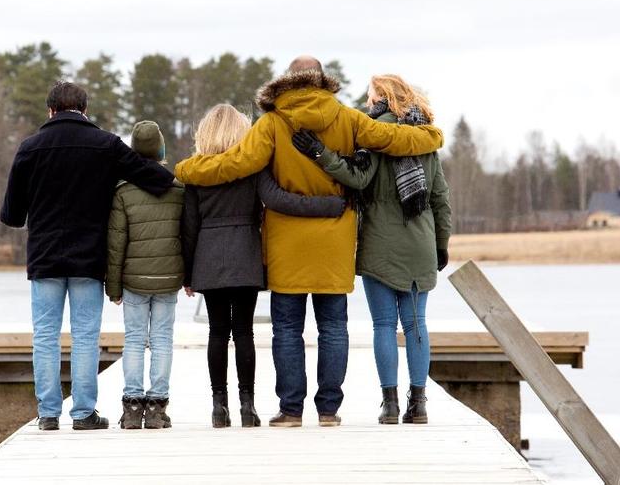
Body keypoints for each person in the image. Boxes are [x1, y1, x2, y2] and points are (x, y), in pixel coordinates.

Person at [173, 56, 444, 427]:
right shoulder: (346, 117)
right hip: (335, 238)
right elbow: (391, 138)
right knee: (333, 327)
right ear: (321, 81)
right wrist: (432, 135)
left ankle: (291, 410)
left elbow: (233, 164)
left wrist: (186, 169)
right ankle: (329, 410)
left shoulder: (272, 122)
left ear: (287, 81)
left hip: (287, 242)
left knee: (288, 329)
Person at [0, 82, 175, 431]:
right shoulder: (105, 145)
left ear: (50, 111)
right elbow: (157, 179)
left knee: (45, 336)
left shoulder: (29, 148)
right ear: (85, 109)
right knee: (84, 336)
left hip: (45, 257)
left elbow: (12, 216)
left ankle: (48, 415)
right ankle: (83, 414)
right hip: (89, 258)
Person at [291, 74, 452, 424]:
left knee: (383, 325)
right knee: (415, 324)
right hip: (421, 240)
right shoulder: (424, 138)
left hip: (380, 240)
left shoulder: (372, 133)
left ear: (381, 97)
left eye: (370, 95)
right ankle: (419, 404)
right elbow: (440, 198)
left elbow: (357, 177)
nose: (366, 102)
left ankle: (390, 404)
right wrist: (441, 244)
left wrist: (321, 154)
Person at [181, 104, 346, 428]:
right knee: (243, 331)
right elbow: (276, 203)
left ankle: (219, 406)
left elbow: (188, 227)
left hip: (209, 257)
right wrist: (329, 204)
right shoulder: (252, 170)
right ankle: (248, 404)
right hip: (246, 253)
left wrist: (188, 274)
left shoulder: (195, 173)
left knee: (217, 332)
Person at [105, 120, 185, 430]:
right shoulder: (178, 189)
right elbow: (186, 234)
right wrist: (187, 275)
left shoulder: (122, 192)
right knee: (163, 339)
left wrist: (113, 286)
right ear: (162, 150)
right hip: (168, 278)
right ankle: (157, 408)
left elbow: (116, 242)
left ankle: (132, 407)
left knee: (135, 340)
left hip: (133, 279)